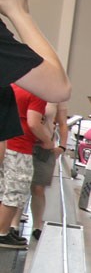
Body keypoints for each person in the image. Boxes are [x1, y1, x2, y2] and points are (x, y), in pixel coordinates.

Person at [0, 84, 51, 248]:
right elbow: (34, 122)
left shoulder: (13, 86)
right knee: (15, 191)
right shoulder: (37, 93)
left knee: (4, 190)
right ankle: (2, 233)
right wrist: (47, 141)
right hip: (20, 147)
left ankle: (5, 229)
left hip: (6, 144)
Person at [29, 100, 67, 239]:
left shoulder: (57, 98)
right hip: (27, 142)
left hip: (46, 147)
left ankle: (37, 225)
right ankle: (13, 225)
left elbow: (62, 123)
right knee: (20, 185)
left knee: (38, 188)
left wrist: (62, 146)